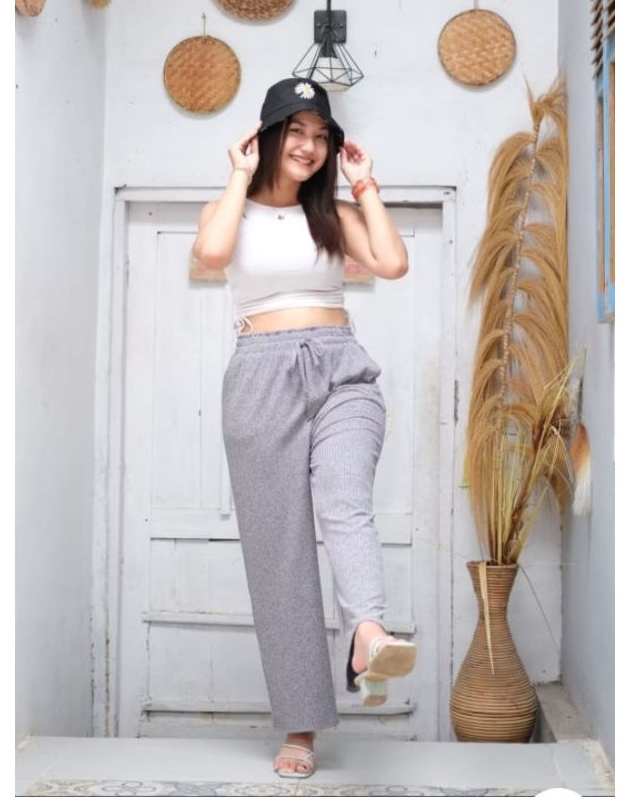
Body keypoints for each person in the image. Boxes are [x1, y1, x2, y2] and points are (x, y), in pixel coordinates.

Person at [191, 77, 417, 779]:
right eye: (296, 131)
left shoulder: (335, 215)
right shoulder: (230, 208)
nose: (310, 146)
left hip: (340, 365)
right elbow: (212, 254)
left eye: (322, 136)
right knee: (279, 556)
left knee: (345, 499)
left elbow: (393, 263)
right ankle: (300, 727)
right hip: (259, 375)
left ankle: (368, 631)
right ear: (266, 136)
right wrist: (238, 175)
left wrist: (365, 184)